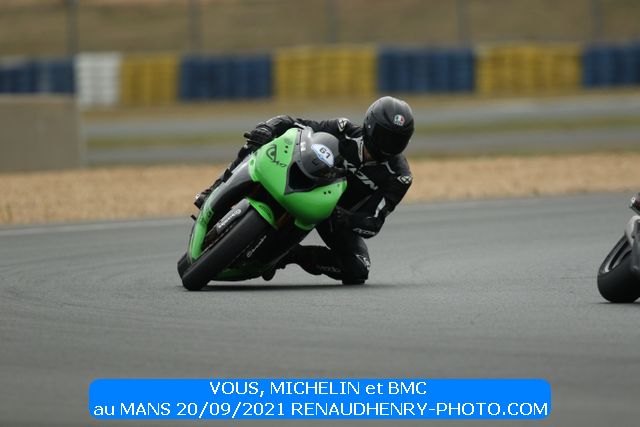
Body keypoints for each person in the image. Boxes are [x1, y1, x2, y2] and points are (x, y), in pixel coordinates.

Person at [195, 96, 414, 285]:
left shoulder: (400, 176)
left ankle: (291, 254)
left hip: (335, 215)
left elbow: (374, 221)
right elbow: (297, 126)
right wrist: (268, 127)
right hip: (307, 182)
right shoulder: (343, 129)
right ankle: (215, 189)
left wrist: (347, 218)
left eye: (397, 141)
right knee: (259, 140)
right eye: (385, 136)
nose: (388, 145)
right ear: (369, 125)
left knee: (358, 269)